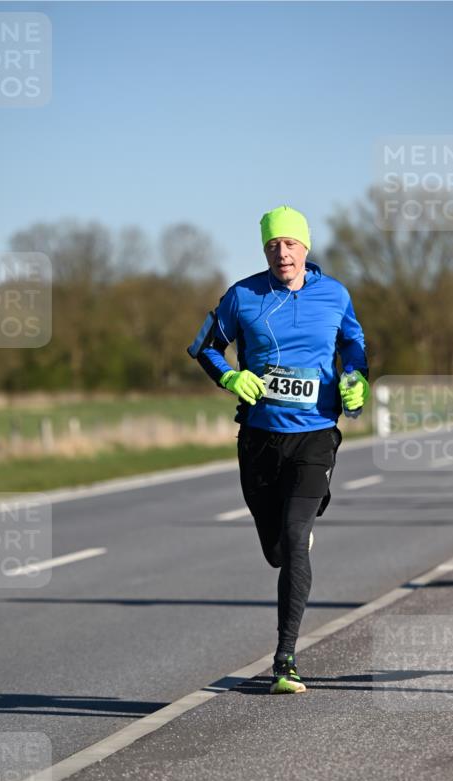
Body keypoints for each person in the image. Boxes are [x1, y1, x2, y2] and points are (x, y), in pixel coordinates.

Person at [188, 205, 369, 693]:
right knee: (276, 549)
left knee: (293, 539)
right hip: (260, 438)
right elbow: (204, 346)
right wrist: (229, 374)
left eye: (289, 243)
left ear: (305, 248)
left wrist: (355, 380)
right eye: (272, 245)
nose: (281, 252)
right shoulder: (243, 296)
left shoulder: (334, 295)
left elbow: (354, 346)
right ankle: (292, 536)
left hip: (315, 433)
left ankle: (285, 659)